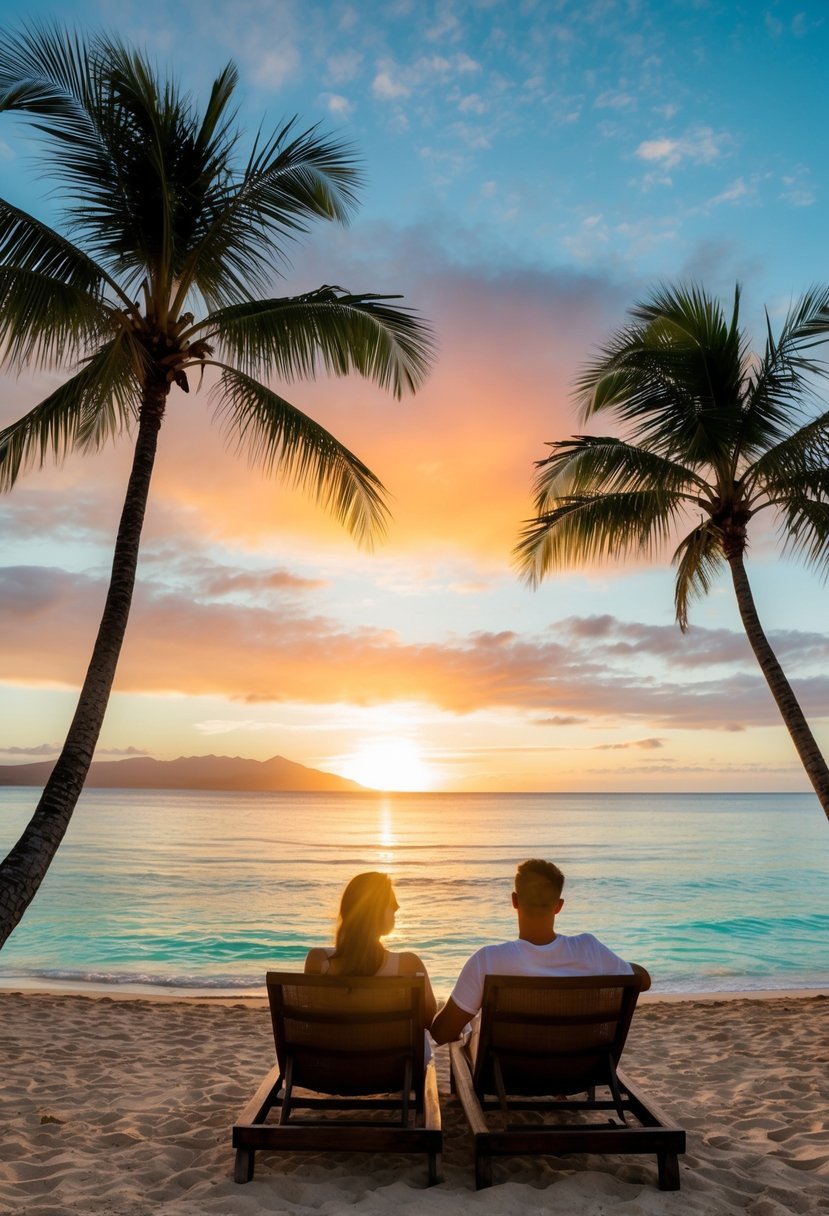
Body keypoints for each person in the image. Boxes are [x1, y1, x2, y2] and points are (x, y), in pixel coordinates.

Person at [431, 858, 650, 1044]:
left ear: (514, 900)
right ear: (559, 905)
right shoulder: (590, 950)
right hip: (578, 1069)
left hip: (504, 1076)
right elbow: (644, 980)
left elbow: (442, 1033)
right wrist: (624, 968)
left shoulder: (487, 960)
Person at [305, 871, 437, 1024]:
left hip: (334, 1047)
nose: (397, 908)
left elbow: (311, 1017)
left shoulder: (318, 960)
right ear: (375, 911)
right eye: (392, 903)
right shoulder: (409, 965)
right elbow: (428, 1020)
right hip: (394, 1048)